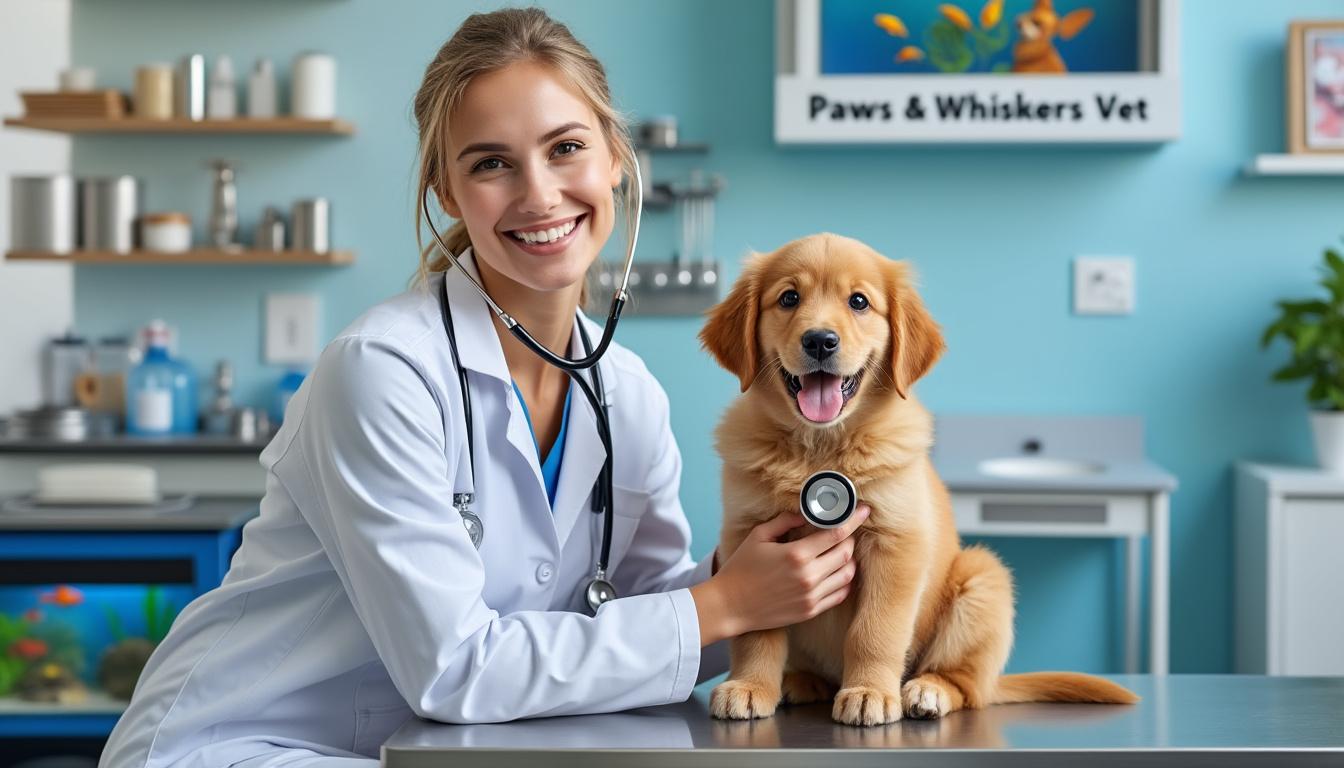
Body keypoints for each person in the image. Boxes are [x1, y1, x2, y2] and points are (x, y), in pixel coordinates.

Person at [99, 8, 864, 767]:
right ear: (446, 192)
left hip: (435, 749)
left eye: (566, 148)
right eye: (491, 163)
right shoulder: (383, 372)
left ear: (616, 161)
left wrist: (756, 577)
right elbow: (454, 666)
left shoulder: (626, 394)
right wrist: (726, 604)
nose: (538, 195)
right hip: (244, 745)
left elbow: (654, 626)